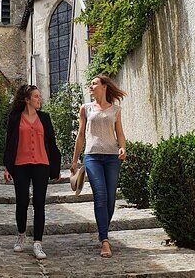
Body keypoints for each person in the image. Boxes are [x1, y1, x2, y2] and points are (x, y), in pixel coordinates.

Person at [70, 74, 127, 258]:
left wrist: (123, 148)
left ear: (104, 87)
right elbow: (80, 135)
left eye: (94, 83)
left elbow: (120, 134)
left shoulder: (116, 110)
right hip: (92, 157)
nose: (91, 86)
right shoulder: (85, 109)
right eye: (91, 84)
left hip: (112, 158)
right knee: (100, 196)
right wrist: (74, 160)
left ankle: (103, 230)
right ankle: (105, 240)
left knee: (110, 199)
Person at [3, 85, 61, 260]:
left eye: (39, 96)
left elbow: (52, 143)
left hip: (41, 164)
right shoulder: (15, 118)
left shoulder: (44, 118)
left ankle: (38, 242)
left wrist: (55, 168)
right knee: (21, 202)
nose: (39, 99)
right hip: (20, 164)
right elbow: (9, 143)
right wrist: (7, 166)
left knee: (39, 203)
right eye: (35, 97)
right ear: (27, 99)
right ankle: (21, 235)